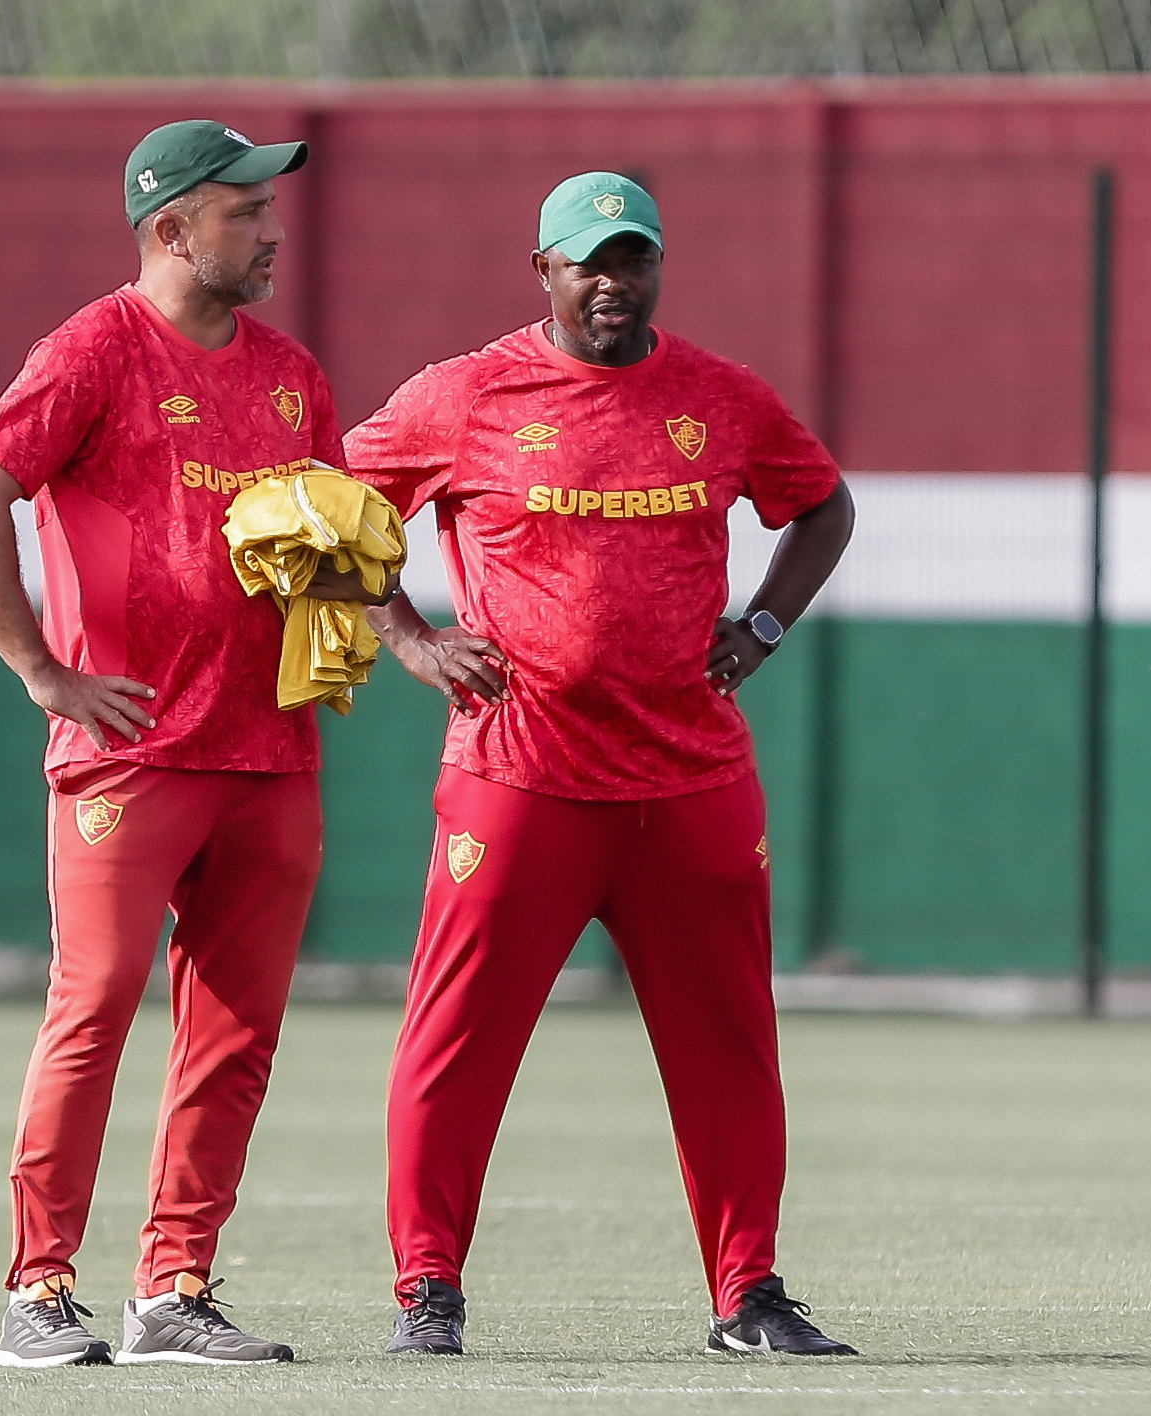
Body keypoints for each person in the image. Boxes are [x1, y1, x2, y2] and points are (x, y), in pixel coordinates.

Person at [344, 171, 858, 1358]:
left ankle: (749, 1293)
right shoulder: (465, 396)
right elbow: (333, 508)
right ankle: (428, 1290)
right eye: (589, 261)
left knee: (728, 1046)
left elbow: (822, 507)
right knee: (455, 1041)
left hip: (691, 778)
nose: (613, 281)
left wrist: (763, 627)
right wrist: (414, 641)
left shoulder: (721, 399)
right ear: (544, 273)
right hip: (519, 776)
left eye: (634, 259)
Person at [0, 119, 392, 1370]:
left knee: (236, 1031)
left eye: (266, 206)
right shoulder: (93, 349)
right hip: (131, 757)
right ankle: (39, 1292)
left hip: (273, 753)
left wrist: (348, 593)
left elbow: (332, 538)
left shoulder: (294, 372)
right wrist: (43, 671)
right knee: (92, 1012)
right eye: (245, 209)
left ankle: (173, 1289)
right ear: (172, 226)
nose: (271, 228)